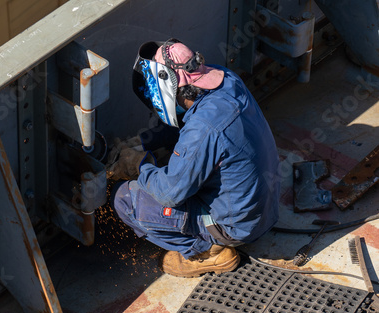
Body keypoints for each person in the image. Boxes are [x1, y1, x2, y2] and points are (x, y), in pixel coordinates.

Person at [107, 38, 280, 278]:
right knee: (179, 160)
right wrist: (143, 142)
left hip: (237, 227)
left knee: (125, 199)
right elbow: (187, 122)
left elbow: (169, 193)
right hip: (266, 205)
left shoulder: (203, 129)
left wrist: (138, 164)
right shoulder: (226, 79)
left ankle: (207, 253)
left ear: (166, 86)